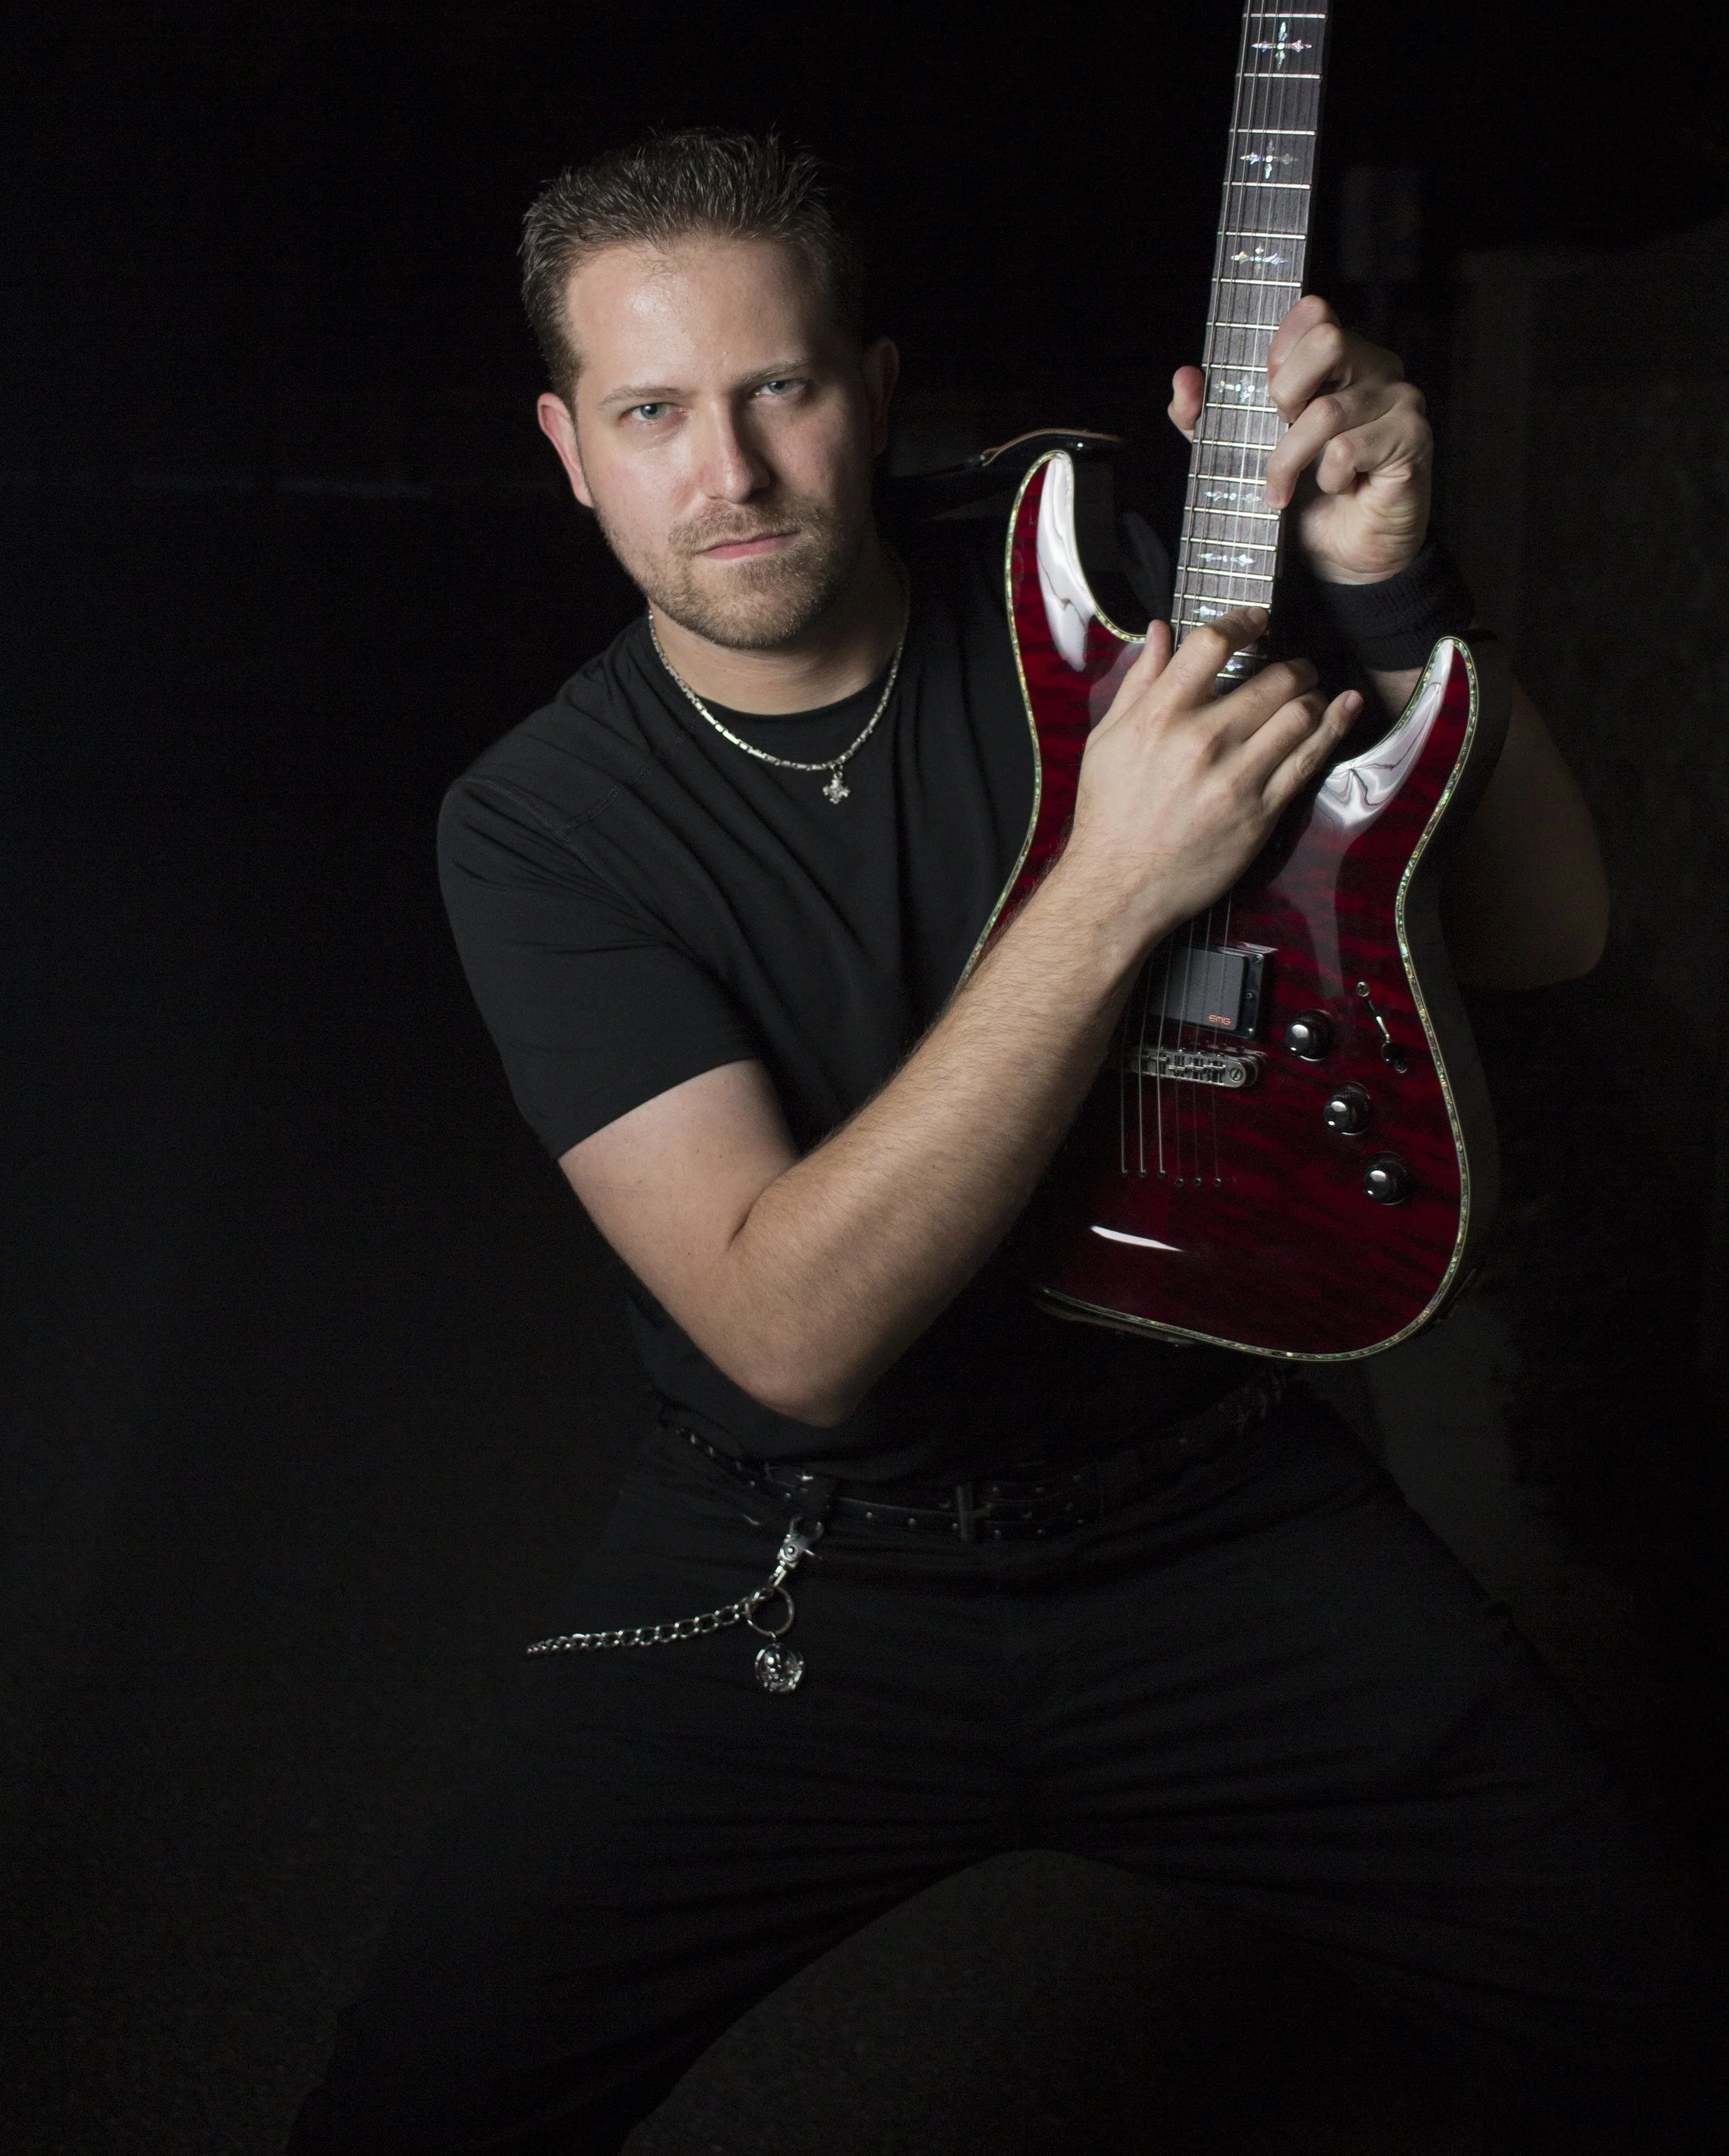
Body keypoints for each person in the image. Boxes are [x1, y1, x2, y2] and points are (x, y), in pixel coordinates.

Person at [290, 130, 1705, 2154]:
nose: (732, 472)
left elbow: (1539, 926)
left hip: (1221, 1510)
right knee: (415, 2110)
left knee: (1651, 2040)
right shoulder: (538, 823)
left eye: (777, 388)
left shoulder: (1111, 591)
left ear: (873, 390)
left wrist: (1393, 577)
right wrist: (1109, 883)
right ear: (567, 446)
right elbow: (788, 1328)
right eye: (652, 412)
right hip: (800, 1567)